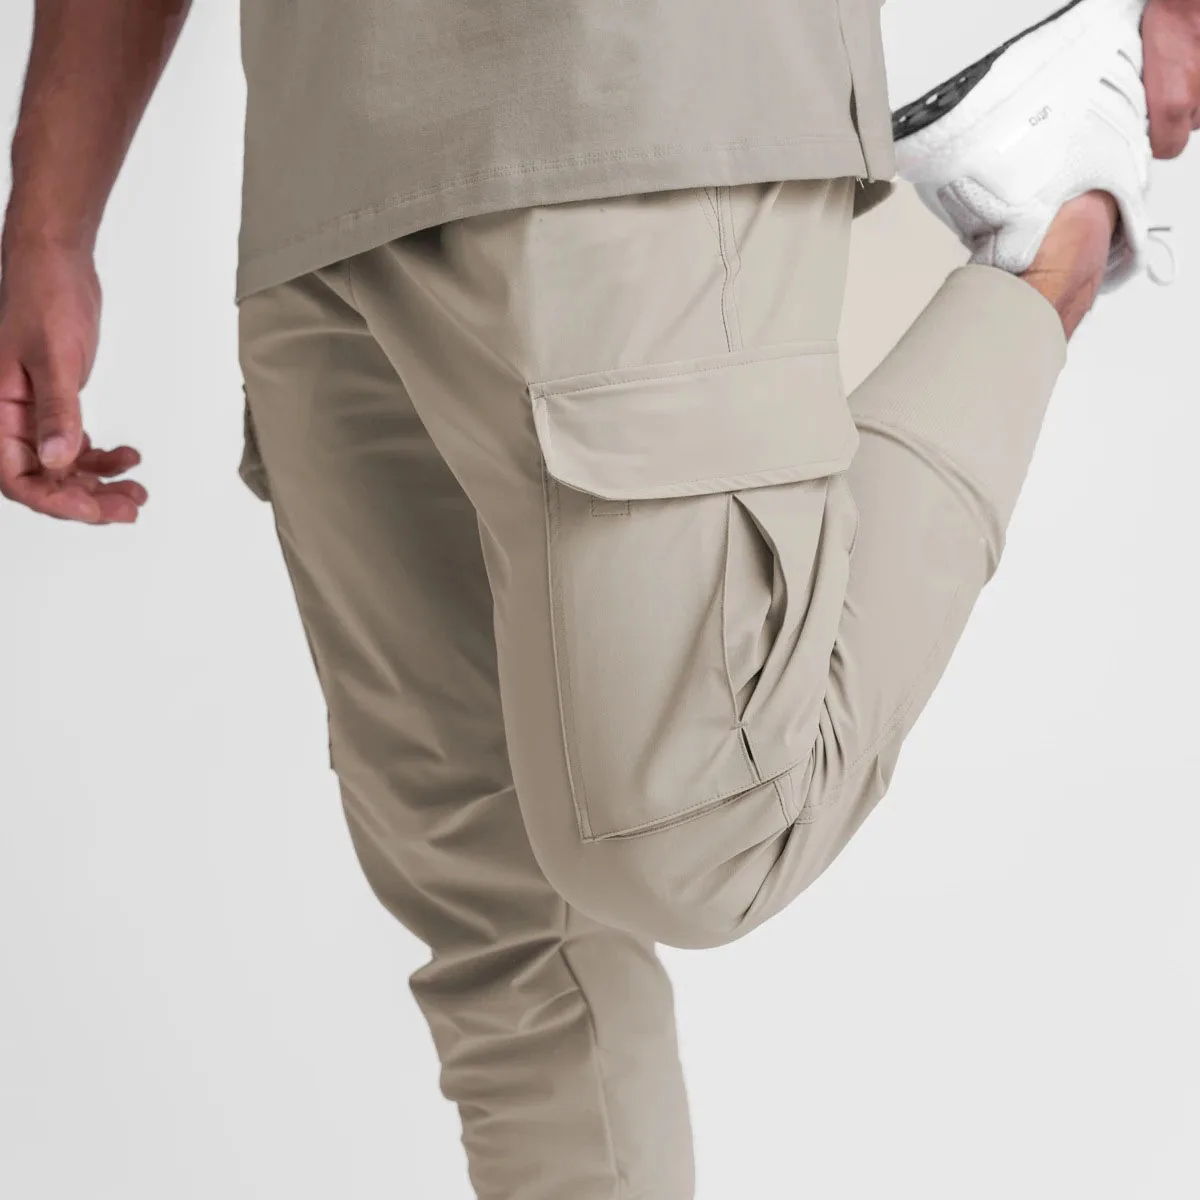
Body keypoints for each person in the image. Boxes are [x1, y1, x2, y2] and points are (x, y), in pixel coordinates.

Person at [1, 0, 1196, 1195]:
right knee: (507, 933)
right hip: (322, 164)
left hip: (625, 78)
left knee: (704, 829)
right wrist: (51, 223)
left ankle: (1044, 243)